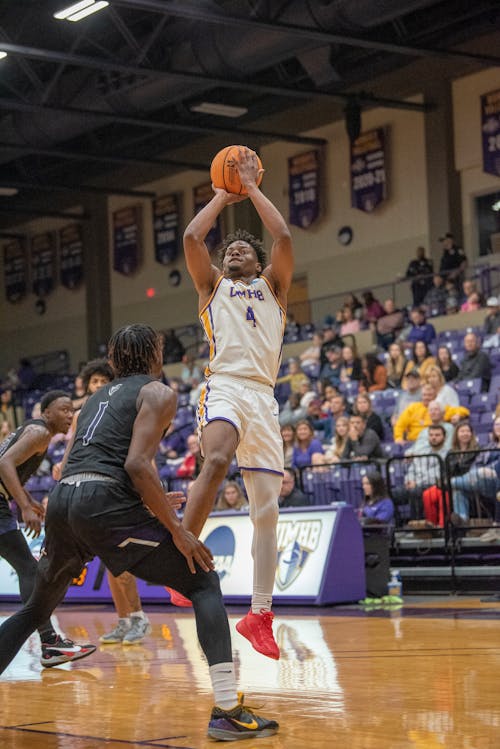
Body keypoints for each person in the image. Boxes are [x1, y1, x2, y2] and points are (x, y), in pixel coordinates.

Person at [0, 324, 278, 740]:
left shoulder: (93, 399)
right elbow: (134, 465)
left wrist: (156, 500)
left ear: (113, 361)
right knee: (202, 579)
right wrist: (178, 530)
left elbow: (89, 462)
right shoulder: (158, 392)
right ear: (154, 354)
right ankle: (226, 710)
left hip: (64, 500)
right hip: (104, 503)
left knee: (36, 610)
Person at [182, 146, 293, 661]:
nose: (232, 254)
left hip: (264, 398)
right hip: (224, 384)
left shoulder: (273, 287)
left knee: (266, 512)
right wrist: (224, 198)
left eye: (242, 251)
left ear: (258, 261)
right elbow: (191, 237)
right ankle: (180, 559)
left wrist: (252, 190)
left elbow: (284, 237)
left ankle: (260, 614)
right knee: (219, 456)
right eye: (228, 252)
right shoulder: (211, 288)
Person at [55, 358, 152, 648]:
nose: (98, 385)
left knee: (120, 559)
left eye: (103, 381)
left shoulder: (122, 409)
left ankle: (139, 618)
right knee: (109, 561)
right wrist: (62, 465)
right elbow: (73, 447)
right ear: (87, 386)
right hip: (90, 487)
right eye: (94, 381)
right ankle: (124, 620)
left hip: (117, 484)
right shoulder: (82, 413)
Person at [0, 389, 96, 667]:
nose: (69, 415)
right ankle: (50, 642)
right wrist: (25, 507)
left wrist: (27, 500)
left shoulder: (33, 431)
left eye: (71, 410)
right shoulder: (40, 433)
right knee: (28, 569)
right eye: (63, 410)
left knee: (26, 567)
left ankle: (50, 641)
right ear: (46, 413)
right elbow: (3, 463)